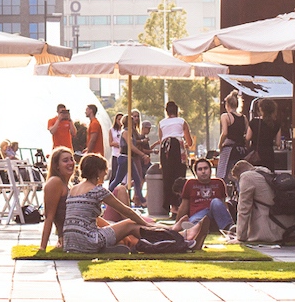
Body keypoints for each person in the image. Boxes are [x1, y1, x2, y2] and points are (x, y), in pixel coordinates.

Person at [63, 154, 209, 254]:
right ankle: (180, 238)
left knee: (128, 226)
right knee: (129, 223)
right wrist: (148, 225)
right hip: (88, 241)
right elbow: (127, 211)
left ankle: (177, 233)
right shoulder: (97, 190)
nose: (105, 174)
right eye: (104, 171)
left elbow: (89, 219)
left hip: (71, 242)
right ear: (98, 171)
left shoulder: (74, 189)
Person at [152, 101, 192, 216]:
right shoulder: (182, 122)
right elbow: (189, 142)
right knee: (179, 176)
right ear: (177, 111)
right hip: (178, 148)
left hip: (166, 150)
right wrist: (185, 143)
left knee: (167, 177)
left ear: (166, 111)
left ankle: (171, 206)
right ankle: (180, 204)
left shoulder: (161, 123)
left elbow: (161, 140)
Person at [176, 157, 234, 232]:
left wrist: (228, 217)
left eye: (205, 168)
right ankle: (197, 227)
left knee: (216, 201)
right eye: (200, 169)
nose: (203, 171)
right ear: (196, 172)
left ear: (210, 170)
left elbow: (223, 204)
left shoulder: (219, 182)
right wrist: (177, 223)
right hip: (198, 215)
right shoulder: (190, 183)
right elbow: (184, 206)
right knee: (196, 220)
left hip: (215, 215)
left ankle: (228, 227)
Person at [40, 146, 75, 251]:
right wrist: (42, 247)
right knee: (125, 228)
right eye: (65, 160)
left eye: (71, 159)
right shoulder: (55, 182)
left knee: (124, 236)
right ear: (57, 166)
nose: (70, 163)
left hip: (83, 231)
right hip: (73, 237)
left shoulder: (69, 185)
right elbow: (49, 217)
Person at [108, 114, 148, 205]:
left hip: (129, 158)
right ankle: (106, 195)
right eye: (132, 120)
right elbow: (131, 146)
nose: (134, 121)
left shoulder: (131, 132)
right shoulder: (125, 132)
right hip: (124, 158)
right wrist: (143, 155)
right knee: (118, 179)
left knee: (137, 180)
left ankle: (142, 200)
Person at [217, 90, 249, 180]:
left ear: (227, 105)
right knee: (240, 175)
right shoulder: (244, 118)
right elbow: (247, 136)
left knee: (224, 173)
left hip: (229, 150)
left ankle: (225, 192)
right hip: (241, 150)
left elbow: (225, 133)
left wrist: (220, 145)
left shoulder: (225, 116)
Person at [245, 98, 282, 172]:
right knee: (267, 176)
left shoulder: (254, 122)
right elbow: (278, 143)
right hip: (269, 154)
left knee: (254, 174)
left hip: (256, 152)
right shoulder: (276, 124)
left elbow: (248, 138)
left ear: (261, 109)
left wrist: (248, 147)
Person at [109, 112, 123, 178]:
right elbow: (110, 143)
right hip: (115, 154)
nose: (120, 121)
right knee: (114, 174)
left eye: (121, 119)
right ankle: (111, 187)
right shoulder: (112, 130)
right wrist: (117, 144)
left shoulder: (125, 130)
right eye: (119, 119)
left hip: (123, 154)